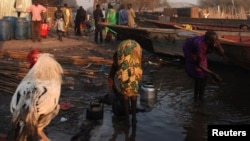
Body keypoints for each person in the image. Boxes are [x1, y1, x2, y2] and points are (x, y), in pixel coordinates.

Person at [182, 30, 225, 101]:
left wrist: (217, 46)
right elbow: (198, 64)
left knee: (205, 74)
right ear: (208, 41)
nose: (215, 43)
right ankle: (196, 97)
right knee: (198, 73)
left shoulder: (214, 41)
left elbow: (222, 53)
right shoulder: (200, 46)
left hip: (201, 51)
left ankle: (201, 97)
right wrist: (214, 74)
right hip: (190, 50)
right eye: (213, 42)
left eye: (216, 40)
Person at [108, 39, 143, 127]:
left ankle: (127, 121)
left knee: (126, 95)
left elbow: (110, 77)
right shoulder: (132, 51)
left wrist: (115, 91)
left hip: (128, 60)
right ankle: (134, 119)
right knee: (134, 93)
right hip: (136, 60)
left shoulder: (118, 57)